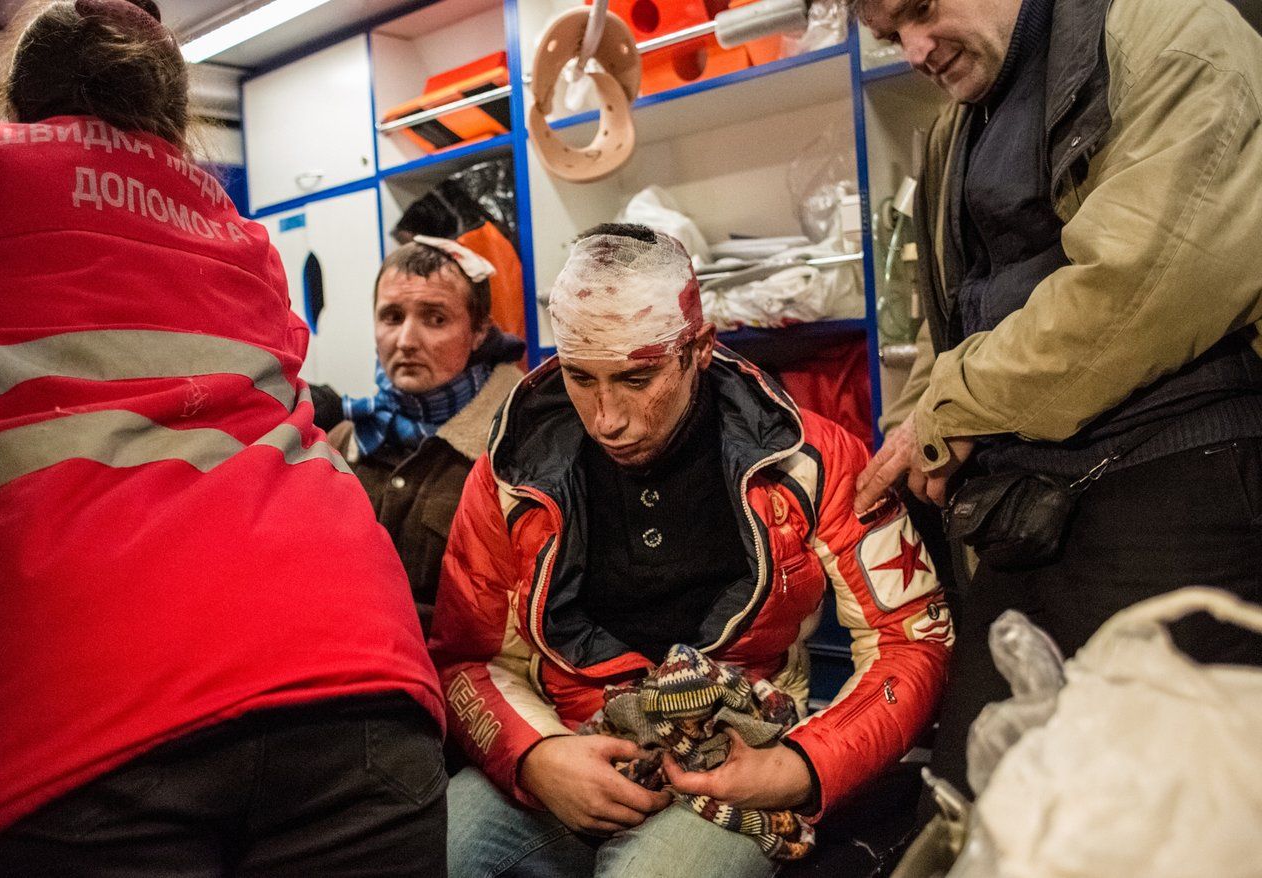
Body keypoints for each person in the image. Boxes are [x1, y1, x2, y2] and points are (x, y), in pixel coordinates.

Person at [0, 2, 446, 873]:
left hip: (95, 699)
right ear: (170, 121)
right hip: (352, 658)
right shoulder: (238, 235)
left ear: (18, 104)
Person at [429, 223, 954, 877]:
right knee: (435, 851)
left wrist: (798, 766)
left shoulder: (813, 459)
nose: (607, 417)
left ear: (700, 348)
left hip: (739, 755)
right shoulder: (509, 472)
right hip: (568, 742)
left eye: (636, 378)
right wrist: (536, 758)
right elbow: (466, 658)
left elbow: (912, 638)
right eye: (579, 377)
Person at [851, 0, 1262, 800]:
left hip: (1184, 478)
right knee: (973, 808)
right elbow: (952, 311)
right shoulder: (957, 124)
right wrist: (911, 431)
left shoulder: (1174, 32)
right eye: (888, 35)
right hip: (1035, 509)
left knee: (1152, 822)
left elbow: (1143, 289)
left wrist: (948, 411)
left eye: (921, 9)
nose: (915, 50)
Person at [320, 237, 525, 636]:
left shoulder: (514, 449)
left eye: (435, 319)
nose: (406, 341)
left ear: (479, 331)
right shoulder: (344, 440)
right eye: (392, 317)